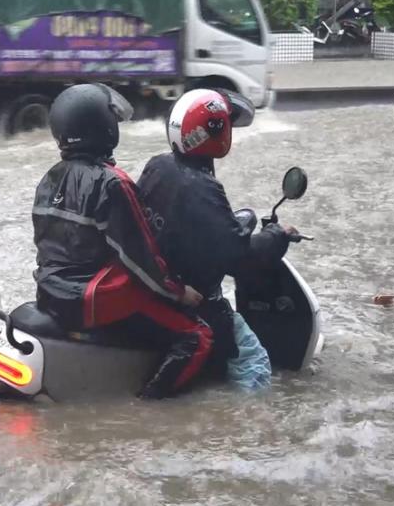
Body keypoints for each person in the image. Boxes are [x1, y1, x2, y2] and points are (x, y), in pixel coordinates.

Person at [32, 83, 212, 399]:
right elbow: (141, 257)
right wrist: (179, 292)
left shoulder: (49, 179)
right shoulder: (112, 183)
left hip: (49, 292)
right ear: (102, 127)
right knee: (197, 336)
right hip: (90, 299)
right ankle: (150, 409)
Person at [136, 89, 297, 381]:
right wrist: (277, 236)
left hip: (157, 289)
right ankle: (248, 424)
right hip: (193, 301)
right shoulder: (201, 188)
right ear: (217, 132)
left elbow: (192, 225)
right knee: (253, 360)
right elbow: (239, 260)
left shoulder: (158, 166)